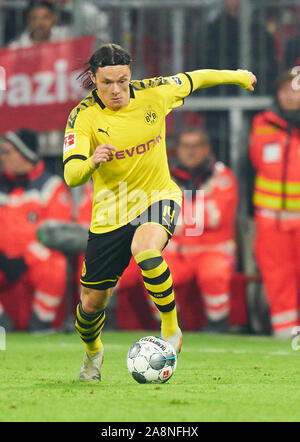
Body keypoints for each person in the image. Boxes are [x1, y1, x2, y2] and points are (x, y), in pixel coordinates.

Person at [63, 43, 257, 381]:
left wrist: (238, 76)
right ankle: (93, 352)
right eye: (107, 82)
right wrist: (91, 161)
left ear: (130, 76)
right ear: (93, 78)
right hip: (111, 213)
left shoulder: (154, 93)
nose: (116, 90)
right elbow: (71, 174)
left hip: (159, 195)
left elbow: (196, 78)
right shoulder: (83, 116)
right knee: (91, 305)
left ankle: (171, 328)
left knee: (145, 248)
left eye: (122, 80)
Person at [163, 128, 239, 332]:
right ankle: (169, 327)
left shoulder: (222, 175)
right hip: (176, 253)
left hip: (213, 251)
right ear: (176, 149)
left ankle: (218, 326)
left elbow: (215, 217)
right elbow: (157, 214)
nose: (191, 151)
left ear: (207, 148)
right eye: (185, 146)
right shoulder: (166, 176)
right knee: (152, 270)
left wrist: (178, 218)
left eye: (196, 146)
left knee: (214, 273)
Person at [0, 129, 73, 331]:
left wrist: (24, 259)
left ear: (25, 154)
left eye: (7, 152)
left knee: (54, 261)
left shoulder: (51, 185)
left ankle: (41, 322)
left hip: (32, 258)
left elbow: (53, 234)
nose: (2, 157)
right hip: (2, 258)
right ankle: (2, 322)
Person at [249, 69, 300, 338]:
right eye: (285, 91)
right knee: (277, 279)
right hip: (270, 219)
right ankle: (285, 335)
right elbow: (252, 166)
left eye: (295, 90)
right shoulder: (261, 123)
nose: (289, 96)